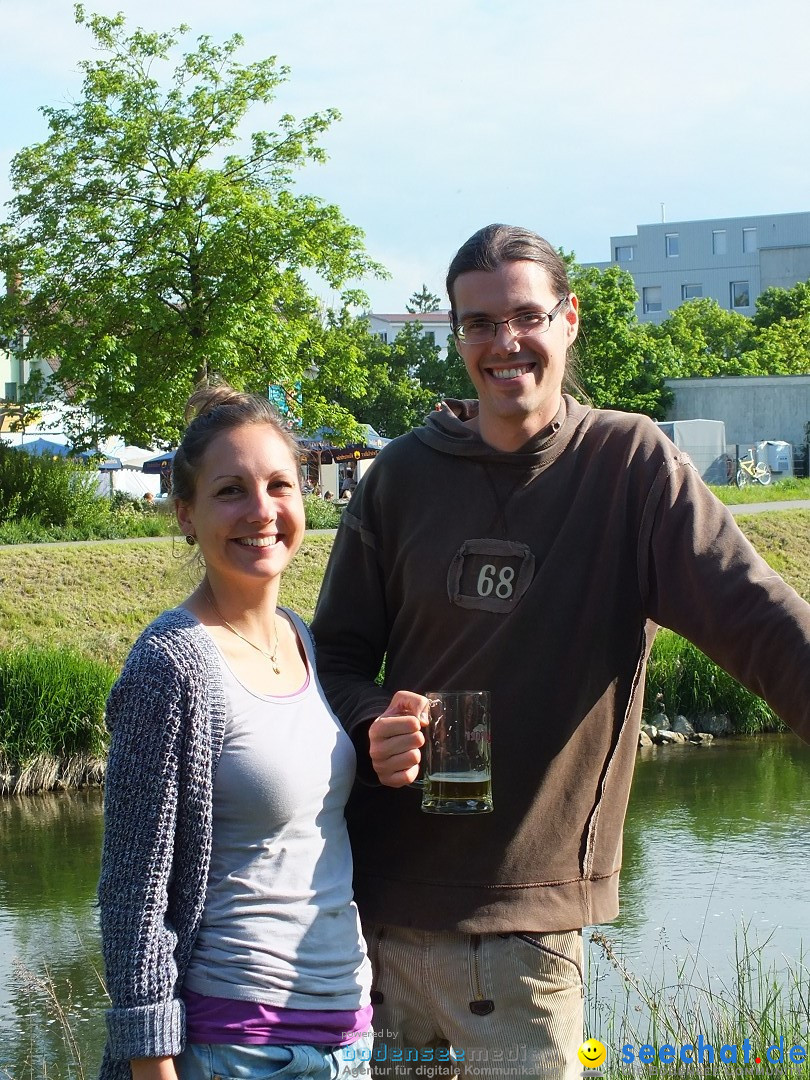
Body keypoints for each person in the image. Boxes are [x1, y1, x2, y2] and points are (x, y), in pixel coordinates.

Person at [310, 224, 810, 1078]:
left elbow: (757, 619)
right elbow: (334, 661)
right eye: (477, 324)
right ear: (456, 335)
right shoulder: (401, 476)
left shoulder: (630, 467)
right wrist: (370, 722)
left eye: (525, 316)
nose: (503, 343)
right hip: (380, 925)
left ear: (569, 319)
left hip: (525, 942)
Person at [97, 385, 372, 1080]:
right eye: (230, 491)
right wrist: (153, 1064)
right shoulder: (172, 664)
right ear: (185, 514)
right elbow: (134, 899)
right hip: (236, 1050)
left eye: (280, 484)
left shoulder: (301, 637)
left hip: (349, 1040)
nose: (261, 511)